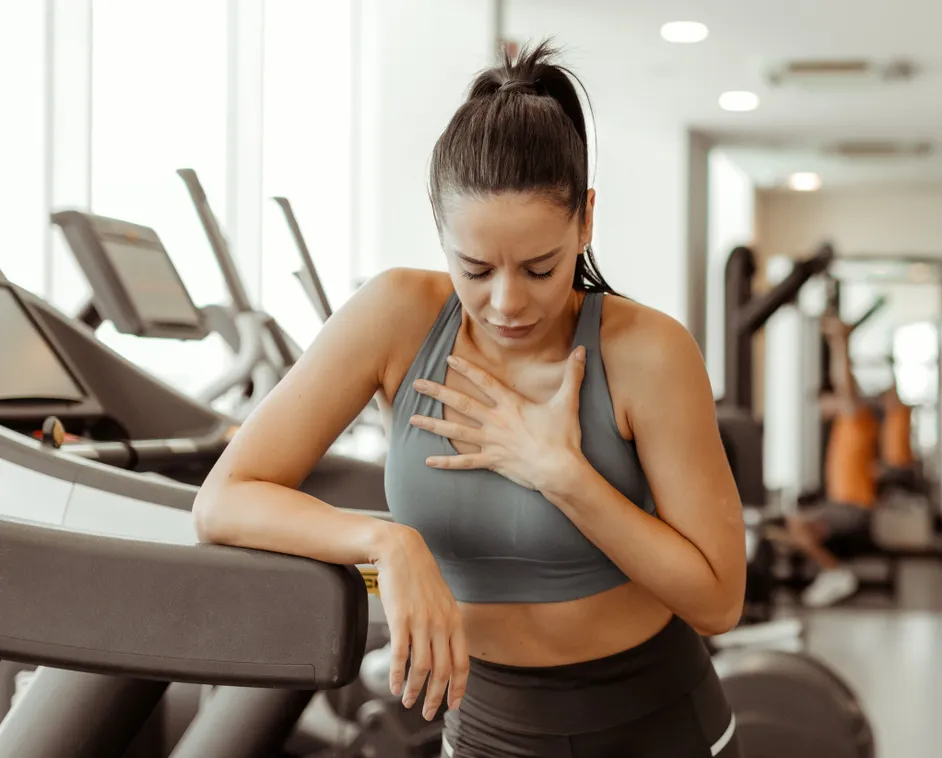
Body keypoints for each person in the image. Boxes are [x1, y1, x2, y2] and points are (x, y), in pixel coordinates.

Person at [193, 42, 746, 758]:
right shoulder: (394, 316)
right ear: (440, 230)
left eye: (540, 268)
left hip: (656, 726)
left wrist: (563, 476)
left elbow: (718, 601)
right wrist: (387, 544)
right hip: (485, 728)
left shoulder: (649, 350)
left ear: (585, 220)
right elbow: (223, 501)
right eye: (476, 269)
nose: (506, 302)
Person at [784, 313, 884, 608]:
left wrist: (840, 343)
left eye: (822, 403)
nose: (821, 410)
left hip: (853, 507)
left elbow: (845, 385)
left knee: (797, 524)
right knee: (788, 529)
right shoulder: (845, 425)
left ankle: (836, 572)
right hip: (842, 504)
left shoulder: (856, 420)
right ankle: (830, 571)